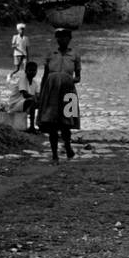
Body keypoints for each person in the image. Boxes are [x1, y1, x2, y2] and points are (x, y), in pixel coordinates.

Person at [37, 28, 81, 163]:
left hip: (68, 90)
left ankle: (67, 146)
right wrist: (42, 92)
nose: (62, 40)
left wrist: (67, 79)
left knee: (67, 122)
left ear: (69, 39)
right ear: (57, 39)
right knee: (52, 123)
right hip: (51, 90)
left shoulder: (75, 55)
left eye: (65, 37)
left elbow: (78, 77)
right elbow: (45, 75)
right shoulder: (51, 54)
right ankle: (55, 154)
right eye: (60, 37)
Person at [7, 60, 39, 132]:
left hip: (23, 104)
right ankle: (31, 127)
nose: (32, 72)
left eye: (34, 70)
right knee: (32, 100)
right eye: (30, 70)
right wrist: (35, 98)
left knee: (41, 102)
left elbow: (38, 95)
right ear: (26, 71)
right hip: (15, 105)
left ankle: (40, 124)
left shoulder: (35, 83)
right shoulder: (22, 79)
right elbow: (25, 95)